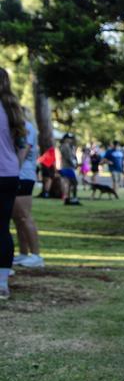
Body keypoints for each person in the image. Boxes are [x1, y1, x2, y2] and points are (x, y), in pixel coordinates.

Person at [0, 69, 27, 299]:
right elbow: (22, 145)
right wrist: (14, 167)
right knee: (3, 228)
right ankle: (2, 283)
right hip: (9, 175)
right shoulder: (13, 110)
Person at [13, 108, 43, 268]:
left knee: (24, 216)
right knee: (17, 218)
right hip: (18, 175)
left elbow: (23, 151)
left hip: (23, 176)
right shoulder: (18, 127)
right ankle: (24, 253)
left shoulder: (27, 128)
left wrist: (13, 172)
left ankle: (36, 255)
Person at [57, 133, 81, 205]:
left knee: (69, 183)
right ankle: (72, 199)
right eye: (69, 138)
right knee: (74, 183)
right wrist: (74, 165)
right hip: (67, 167)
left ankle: (68, 199)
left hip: (67, 167)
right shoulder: (66, 146)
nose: (70, 140)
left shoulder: (68, 146)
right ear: (65, 139)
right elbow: (68, 158)